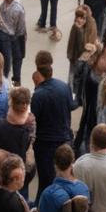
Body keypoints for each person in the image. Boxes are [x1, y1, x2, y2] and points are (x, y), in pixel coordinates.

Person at [30, 50, 74, 202]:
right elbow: (71, 106)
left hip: (45, 145)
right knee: (63, 177)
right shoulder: (64, 87)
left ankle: (41, 208)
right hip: (64, 139)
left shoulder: (39, 95)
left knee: (45, 181)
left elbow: (33, 121)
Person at [0, 0, 28, 85]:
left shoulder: (13, 8)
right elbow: (21, 26)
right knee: (15, 57)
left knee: (7, 58)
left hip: (8, 35)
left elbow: (20, 26)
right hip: (11, 35)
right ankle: (14, 79)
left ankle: (5, 78)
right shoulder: (12, 7)